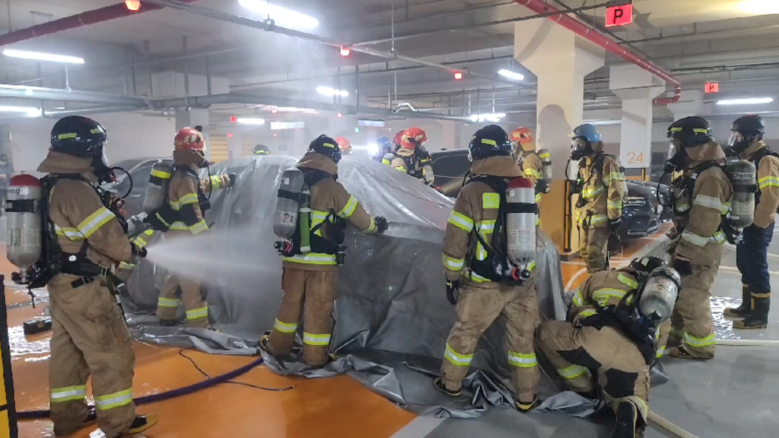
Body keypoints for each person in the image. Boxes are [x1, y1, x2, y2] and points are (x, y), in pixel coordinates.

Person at [37, 116, 157, 437]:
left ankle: (68, 417)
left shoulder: (50, 186)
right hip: (87, 290)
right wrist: (126, 240)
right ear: (89, 150)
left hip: (62, 286)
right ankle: (118, 425)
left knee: (68, 354)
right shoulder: (76, 191)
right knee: (112, 354)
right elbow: (113, 244)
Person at [435, 125, 540, 412]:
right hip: (522, 280)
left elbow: (455, 241)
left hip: (484, 282)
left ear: (477, 153)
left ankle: (450, 384)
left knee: (464, 335)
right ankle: (526, 396)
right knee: (522, 343)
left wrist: (451, 278)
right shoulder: (524, 186)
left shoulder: (473, 190)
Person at [261, 135, 388, 367]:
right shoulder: (331, 188)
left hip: (292, 259)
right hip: (321, 265)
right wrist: (376, 226)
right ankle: (314, 358)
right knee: (318, 311)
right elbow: (360, 219)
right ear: (333, 159)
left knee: (289, 305)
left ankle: (277, 348)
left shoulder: (293, 181)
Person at [537, 257, 681, 438]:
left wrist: (577, 330)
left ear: (632, 266)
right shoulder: (661, 308)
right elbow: (655, 354)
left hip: (592, 341)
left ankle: (584, 388)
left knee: (545, 333)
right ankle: (629, 408)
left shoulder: (603, 277)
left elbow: (574, 307)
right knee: (636, 398)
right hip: (633, 359)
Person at [657, 117, 732, 360]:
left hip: (700, 250)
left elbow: (704, 222)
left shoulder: (710, 176)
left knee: (693, 297)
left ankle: (701, 347)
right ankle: (675, 336)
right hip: (688, 245)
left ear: (692, 143)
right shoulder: (696, 173)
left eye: (678, 145)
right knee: (678, 293)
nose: (675, 151)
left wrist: (684, 254)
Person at [155, 128, 234, 328]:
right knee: (194, 282)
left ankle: (166, 315)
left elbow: (201, 186)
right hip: (186, 237)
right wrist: (204, 235)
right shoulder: (186, 177)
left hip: (173, 236)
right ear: (197, 150)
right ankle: (199, 324)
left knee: (175, 275)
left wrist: (226, 180)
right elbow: (191, 210)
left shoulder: (180, 173)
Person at [724, 115, 779, 329]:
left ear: (752, 136)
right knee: (745, 264)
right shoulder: (748, 159)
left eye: (738, 136)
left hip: (758, 223)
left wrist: (759, 224)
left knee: (757, 268)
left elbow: (771, 196)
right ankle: (747, 307)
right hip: (747, 222)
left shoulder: (766, 159)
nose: (735, 140)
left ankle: (759, 317)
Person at [571, 124, 626, 273]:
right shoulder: (584, 164)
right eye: (576, 143)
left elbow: (615, 191)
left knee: (595, 255)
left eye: (580, 142)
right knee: (585, 252)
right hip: (585, 219)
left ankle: (599, 283)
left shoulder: (607, 162)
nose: (577, 146)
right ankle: (596, 280)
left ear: (591, 142)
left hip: (600, 219)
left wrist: (614, 217)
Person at [511, 127, 546, 224]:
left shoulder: (529, 159)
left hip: (530, 199)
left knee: (530, 224)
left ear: (519, 144)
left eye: (514, 145)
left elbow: (531, 182)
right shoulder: (525, 157)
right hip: (526, 198)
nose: (514, 149)